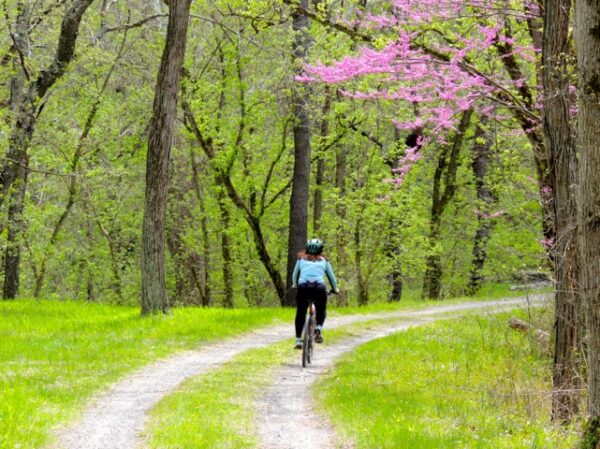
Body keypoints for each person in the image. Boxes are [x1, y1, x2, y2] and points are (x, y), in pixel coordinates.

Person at [292, 238, 339, 349]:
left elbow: (294, 275)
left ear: (307, 248)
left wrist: (295, 284)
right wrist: (335, 289)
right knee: (321, 309)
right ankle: (318, 328)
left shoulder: (301, 259)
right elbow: (332, 278)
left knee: (301, 312)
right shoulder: (324, 260)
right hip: (319, 287)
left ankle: (298, 340)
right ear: (321, 250)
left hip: (303, 287)